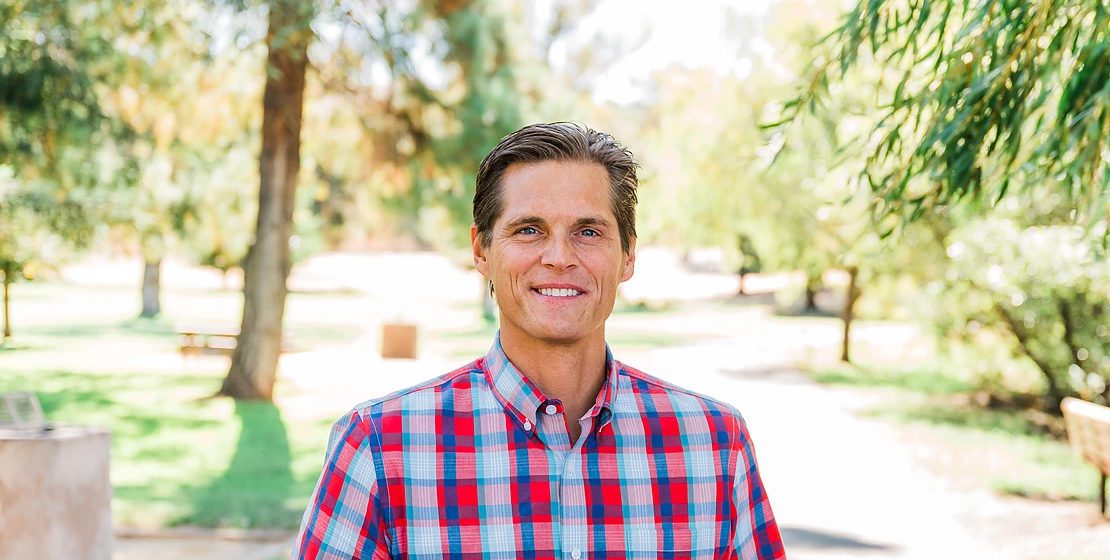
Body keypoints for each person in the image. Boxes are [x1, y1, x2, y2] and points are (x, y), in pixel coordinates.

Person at [291, 122, 785, 559]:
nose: (558, 257)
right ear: (481, 251)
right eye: (529, 230)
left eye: (588, 232)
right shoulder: (380, 448)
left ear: (628, 256)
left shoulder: (716, 445)